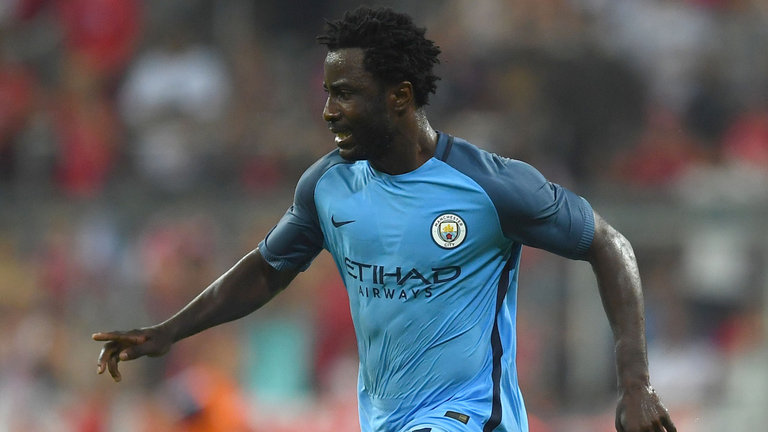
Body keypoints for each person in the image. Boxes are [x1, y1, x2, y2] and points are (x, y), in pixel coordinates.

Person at [94, 7, 676, 432]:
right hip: (384, 419)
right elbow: (267, 269)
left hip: (473, 417)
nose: (329, 111)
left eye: (346, 94)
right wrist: (168, 332)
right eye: (328, 94)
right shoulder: (328, 187)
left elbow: (609, 245)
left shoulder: (491, 186)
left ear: (399, 96)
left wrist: (635, 384)